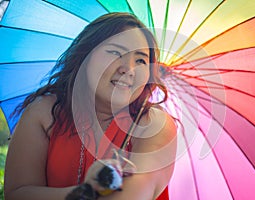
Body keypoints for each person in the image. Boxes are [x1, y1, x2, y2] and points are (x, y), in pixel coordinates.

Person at [4, 12, 177, 200]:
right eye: (115, 52)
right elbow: (18, 193)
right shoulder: (44, 113)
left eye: (141, 60)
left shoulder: (153, 125)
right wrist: (86, 191)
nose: (128, 69)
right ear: (85, 55)